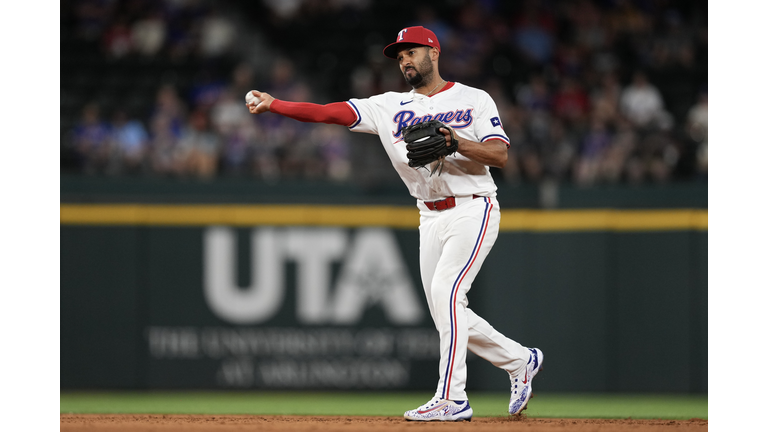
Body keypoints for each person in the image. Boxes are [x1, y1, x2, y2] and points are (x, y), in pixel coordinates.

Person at [245, 26, 543, 422]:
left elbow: (499, 156)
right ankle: (520, 360)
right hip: (428, 214)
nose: (404, 59)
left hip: (474, 207)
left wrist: (456, 142)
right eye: (399, 55)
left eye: (411, 52)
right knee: (446, 309)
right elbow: (331, 112)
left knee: (446, 293)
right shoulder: (387, 106)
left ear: (433, 53)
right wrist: (276, 105)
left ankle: (452, 399)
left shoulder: (474, 99)